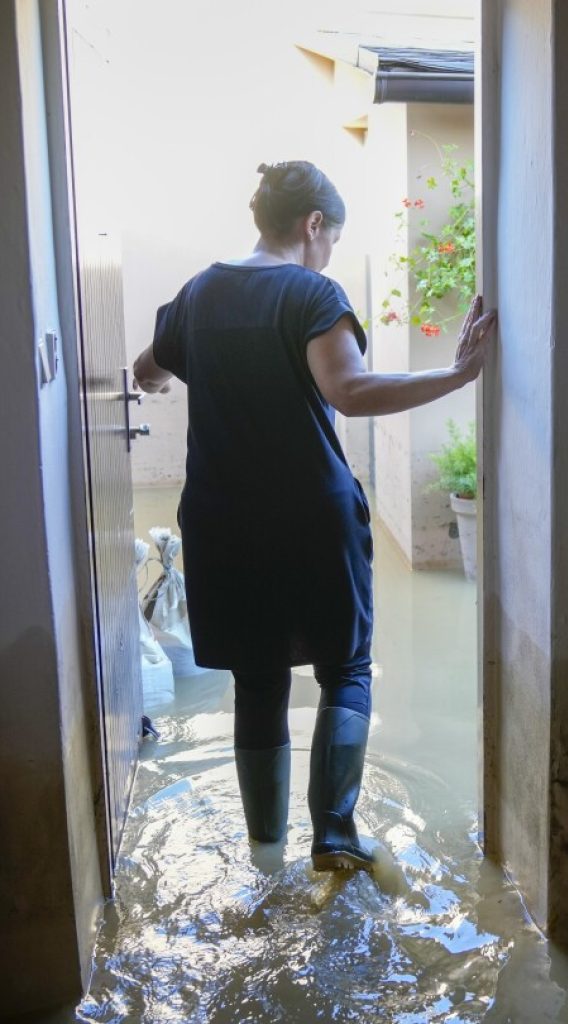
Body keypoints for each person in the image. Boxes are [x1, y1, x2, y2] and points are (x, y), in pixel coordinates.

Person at [133, 160, 496, 871]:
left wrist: (165, 373)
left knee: (258, 679)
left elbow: (147, 370)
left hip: (222, 525)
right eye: (332, 238)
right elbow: (351, 390)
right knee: (346, 667)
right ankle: (334, 834)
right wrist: (456, 375)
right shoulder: (311, 293)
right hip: (308, 520)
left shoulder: (196, 294)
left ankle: (265, 851)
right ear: (313, 226)